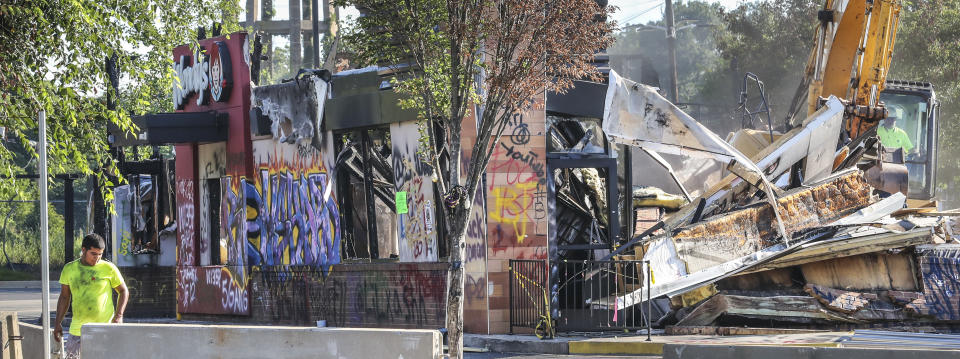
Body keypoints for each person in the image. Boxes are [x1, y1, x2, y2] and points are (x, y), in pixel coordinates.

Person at [54, 234, 128, 359]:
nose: (97, 258)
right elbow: (64, 297)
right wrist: (57, 323)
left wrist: (119, 316)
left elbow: (123, 291)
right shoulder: (70, 269)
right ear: (84, 250)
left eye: (100, 254)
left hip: (105, 329)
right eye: (94, 254)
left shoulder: (108, 268)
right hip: (78, 330)